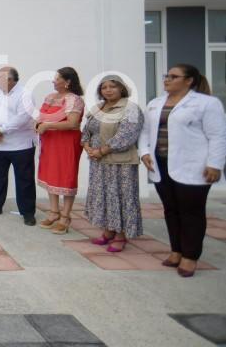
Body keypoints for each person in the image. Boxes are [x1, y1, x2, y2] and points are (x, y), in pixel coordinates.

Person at [139, 64, 226, 277]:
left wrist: (215, 164)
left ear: (189, 81)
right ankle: (176, 250)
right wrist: (144, 152)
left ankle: (190, 256)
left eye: (174, 76)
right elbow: (145, 132)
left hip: (193, 166)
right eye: (166, 75)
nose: (167, 79)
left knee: (192, 212)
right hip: (160, 163)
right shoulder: (156, 103)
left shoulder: (207, 103)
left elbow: (218, 136)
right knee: (171, 209)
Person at [81, 75, 144, 252]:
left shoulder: (130, 109)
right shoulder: (98, 108)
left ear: (122, 89)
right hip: (98, 162)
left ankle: (121, 235)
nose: (108, 90)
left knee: (121, 197)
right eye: (104, 87)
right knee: (103, 196)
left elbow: (127, 135)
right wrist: (87, 147)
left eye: (112, 87)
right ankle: (108, 231)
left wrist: (102, 150)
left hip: (120, 163)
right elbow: (87, 131)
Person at [0, 66, 38, 225]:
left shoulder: (25, 94)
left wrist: (0, 130)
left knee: (24, 179)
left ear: (10, 80)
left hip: (21, 146)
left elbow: (23, 118)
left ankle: (27, 212)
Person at [36, 66, 84, 234]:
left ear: (68, 82)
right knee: (52, 175)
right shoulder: (50, 97)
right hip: (50, 141)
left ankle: (65, 216)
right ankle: (54, 212)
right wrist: (39, 124)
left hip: (67, 142)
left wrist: (47, 125)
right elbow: (41, 116)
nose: (54, 81)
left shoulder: (74, 99)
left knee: (66, 177)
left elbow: (72, 123)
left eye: (57, 79)